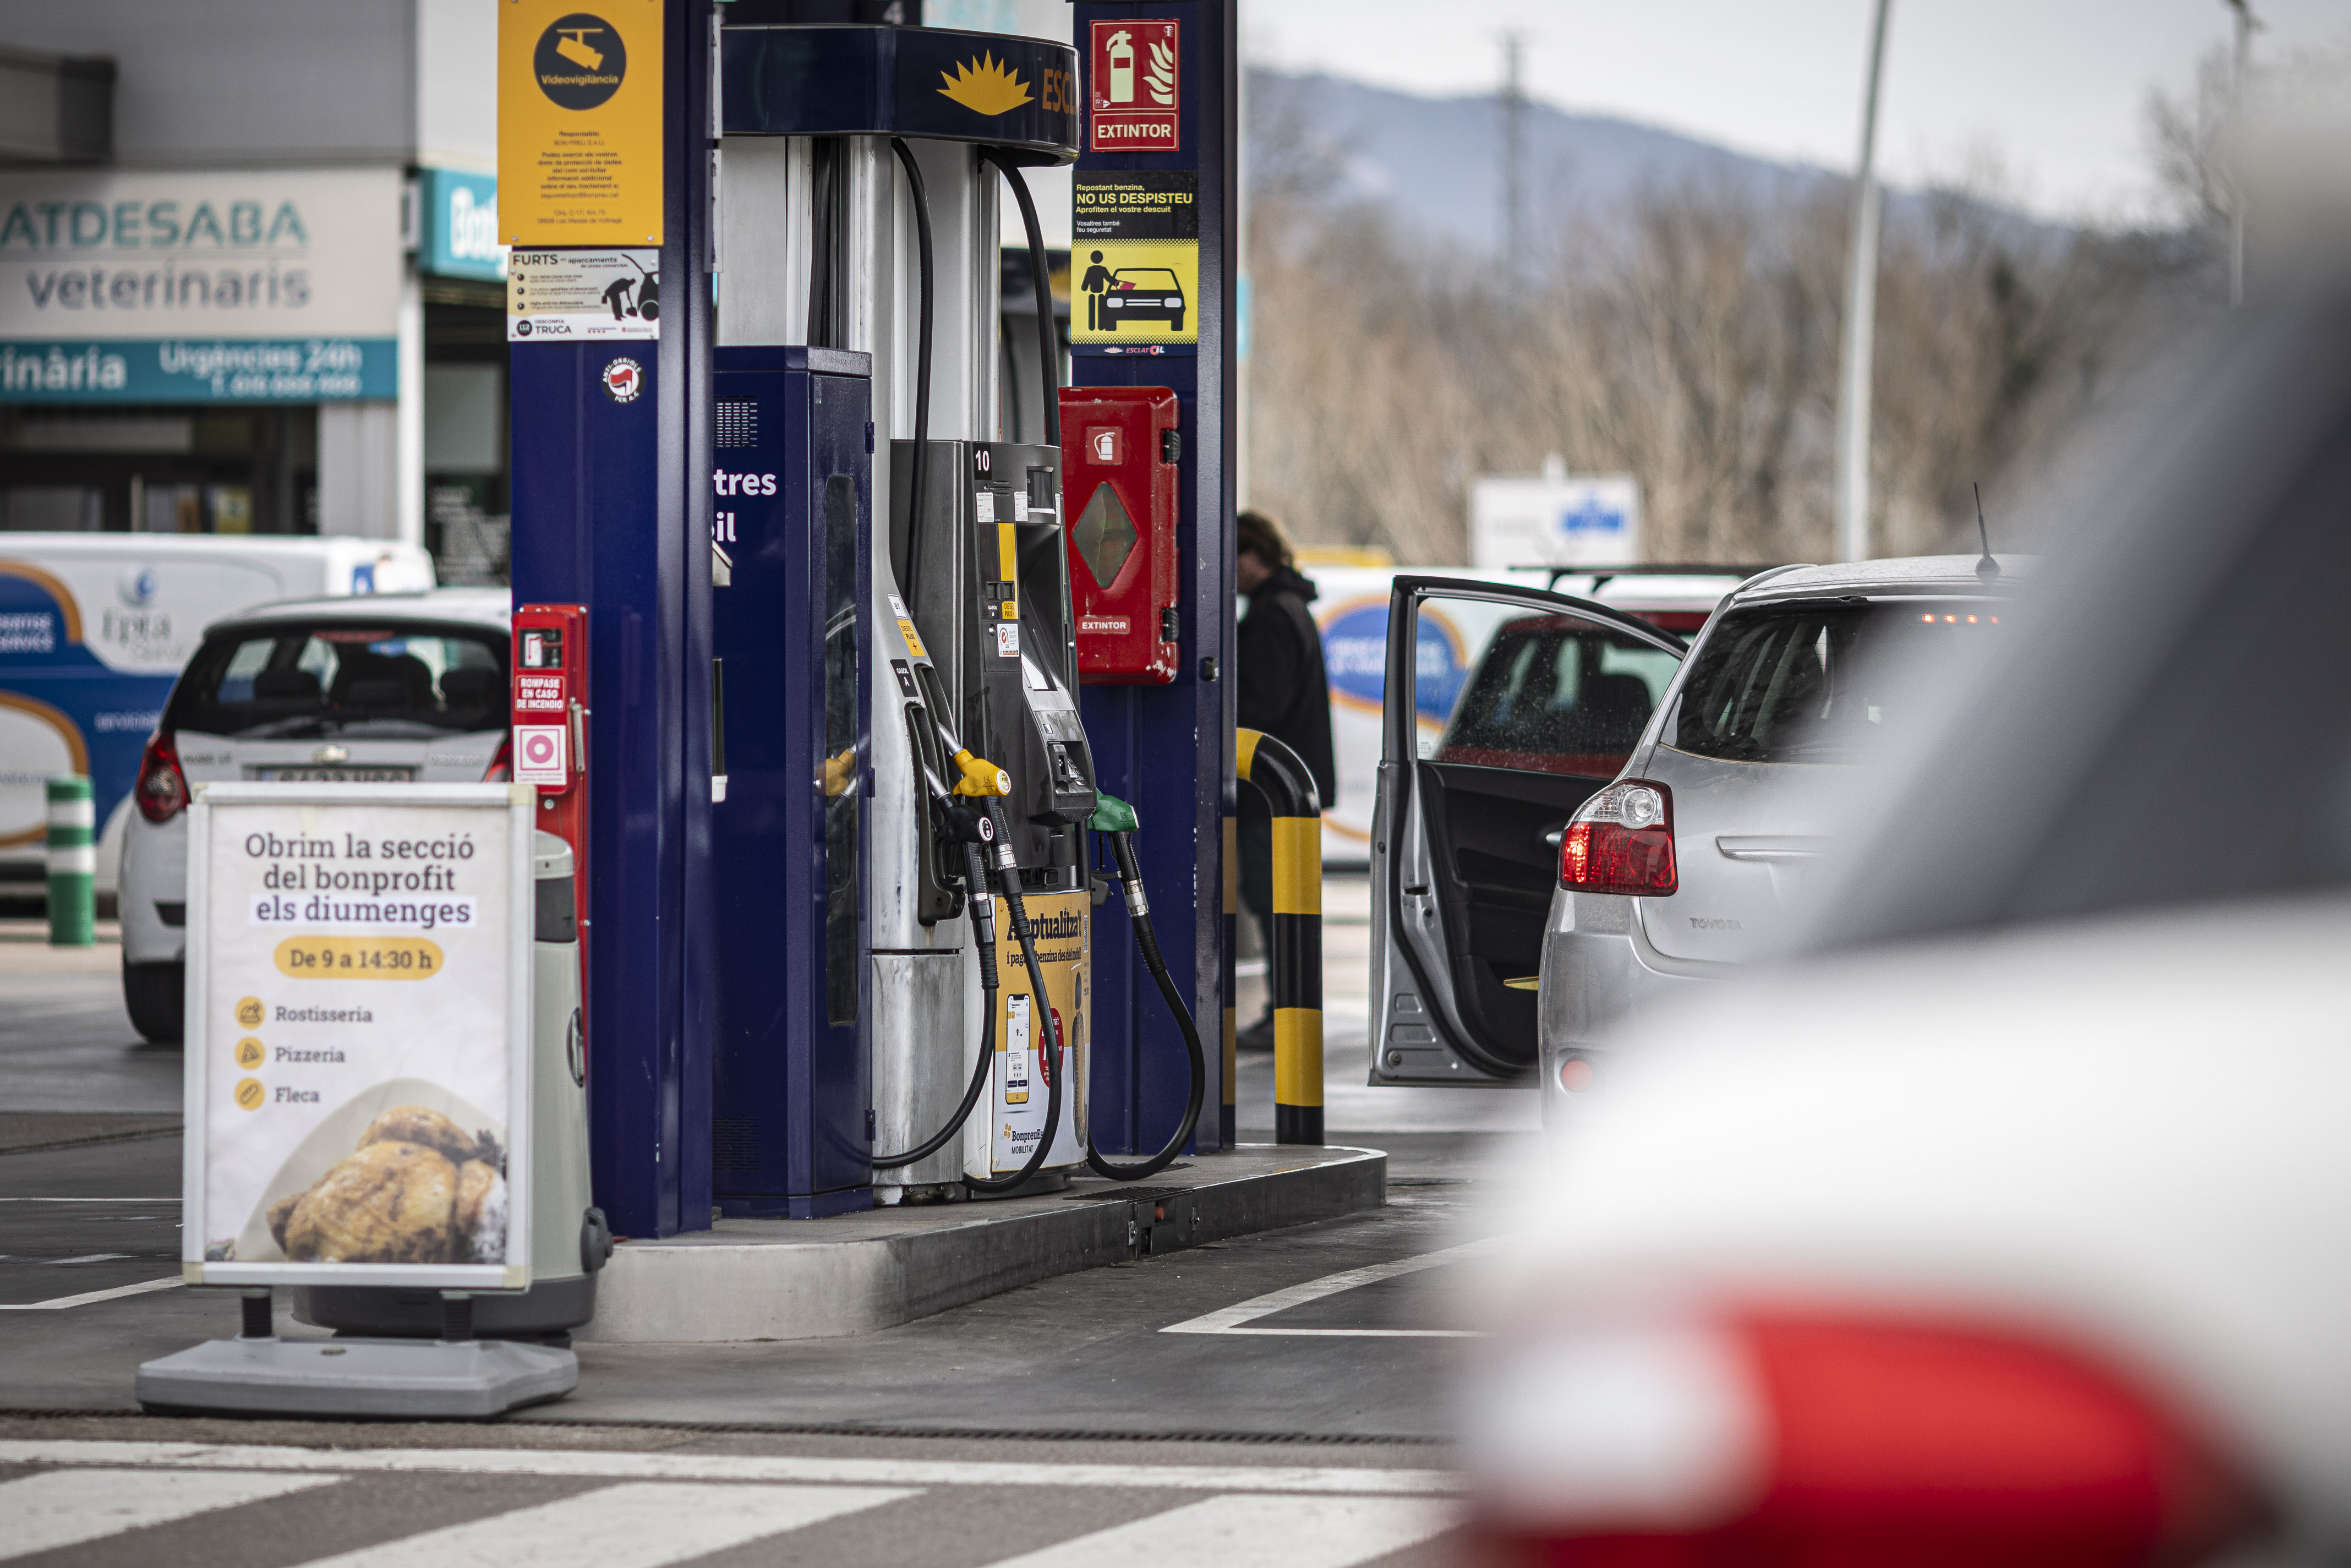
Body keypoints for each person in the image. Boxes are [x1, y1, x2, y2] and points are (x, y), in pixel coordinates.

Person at [1233, 509, 1336, 1053]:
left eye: (1235, 559)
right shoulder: (1293, 609)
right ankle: (1289, 1011)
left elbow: (1258, 705)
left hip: (1270, 790)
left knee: (1275, 900)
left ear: (1254, 556)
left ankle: (1287, 1014)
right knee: (1283, 901)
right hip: (1289, 788)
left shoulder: (1273, 616)